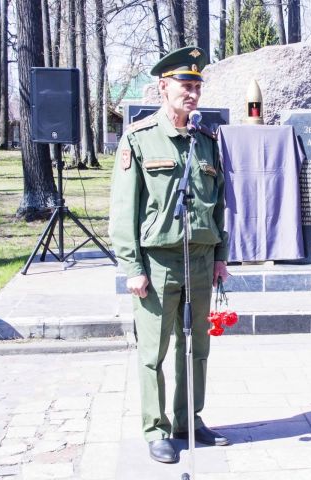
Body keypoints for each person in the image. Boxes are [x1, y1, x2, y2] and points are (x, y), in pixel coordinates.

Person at [108, 46, 230, 464]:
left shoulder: (208, 140)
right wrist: (131, 267)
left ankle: (188, 420)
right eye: (185, 85)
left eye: (197, 86)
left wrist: (220, 255)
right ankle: (156, 428)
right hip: (157, 262)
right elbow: (124, 210)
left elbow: (220, 205)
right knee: (154, 351)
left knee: (195, 347)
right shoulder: (139, 138)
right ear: (164, 88)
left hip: (199, 258)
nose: (192, 93)